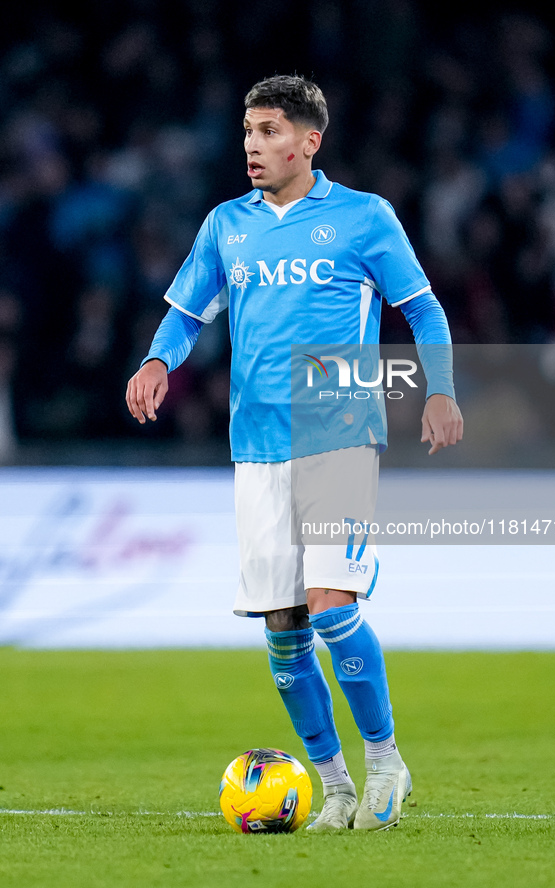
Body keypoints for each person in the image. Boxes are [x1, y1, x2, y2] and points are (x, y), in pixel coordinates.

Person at [126, 75, 463, 831]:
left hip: (336, 431)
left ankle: (384, 764)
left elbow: (422, 307)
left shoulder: (361, 218)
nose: (253, 144)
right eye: (248, 130)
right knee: (283, 628)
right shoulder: (225, 226)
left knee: (330, 604)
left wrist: (438, 391)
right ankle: (333, 784)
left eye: (271, 130)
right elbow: (186, 313)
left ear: (310, 142)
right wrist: (156, 361)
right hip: (256, 445)